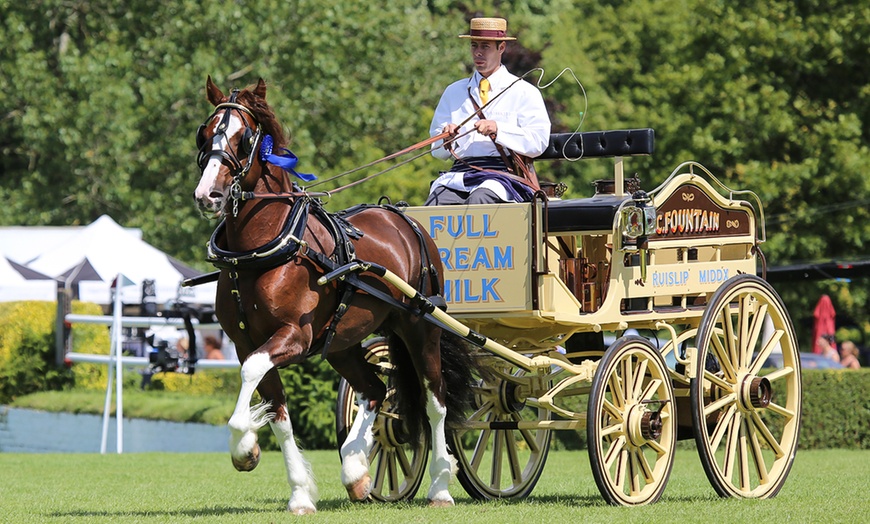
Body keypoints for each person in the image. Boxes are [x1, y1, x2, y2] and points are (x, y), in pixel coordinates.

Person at [425, 17, 551, 205]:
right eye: (474, 46)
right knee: (437, 201)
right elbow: (436, 151)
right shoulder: (454, 92)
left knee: (480, 199)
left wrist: (498, 129)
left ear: (501, 48)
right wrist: (446, 139)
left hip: (502, 176)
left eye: (485, 47)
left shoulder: (524, 92)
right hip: (460, 174)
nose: (478, 53)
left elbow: (538, 142)